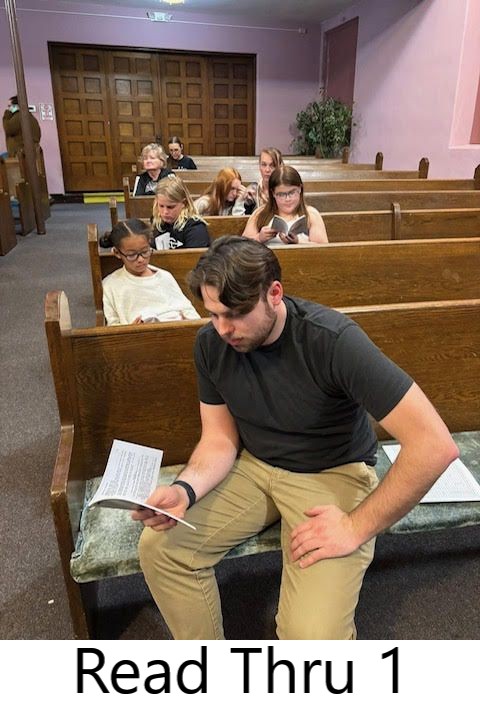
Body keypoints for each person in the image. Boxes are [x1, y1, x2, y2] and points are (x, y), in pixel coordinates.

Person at [134, 235, 459, 640]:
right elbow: (218, 438)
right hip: (254, 466)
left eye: (235, 314)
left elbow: (434, 445)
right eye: (212, 314)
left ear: (274, 294)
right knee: (161, 550)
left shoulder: (332, 340)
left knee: (311, 636)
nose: (223, 329)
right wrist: (185, 489)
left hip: (331, 473)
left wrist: (354, 527)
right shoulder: (211, 343)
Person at [102, 218, 200, 325]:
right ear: (117, 253)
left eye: (145, 251)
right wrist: (131, 329)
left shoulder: (164, 277)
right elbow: (112, 324)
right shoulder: (110, 284)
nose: (140, 259)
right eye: (131, 255)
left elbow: (188, 311)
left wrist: (188, 323)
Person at [242, 165, 328, 245]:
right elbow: (242, 246)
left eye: (292, 192)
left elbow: (323, 250)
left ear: (300, 189)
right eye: (281, 194)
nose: (287, 199)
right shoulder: (260, 214)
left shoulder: (311, 215)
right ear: (273, 193)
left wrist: (299, 242)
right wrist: (259, 238)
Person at [151, 176, 211, 249]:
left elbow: (195, 255)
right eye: (161, 206)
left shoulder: (196, 228)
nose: (165, 212)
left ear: (184, 203)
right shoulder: (157, 223)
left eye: (170, 207)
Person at [239, 147, 284, 215]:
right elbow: (240, 218)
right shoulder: (252, 191)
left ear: (279, 167)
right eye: (264, 165)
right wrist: (240, 200)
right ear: (259, 166)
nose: (267, 170)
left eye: (272, 165)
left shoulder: (286, 190)